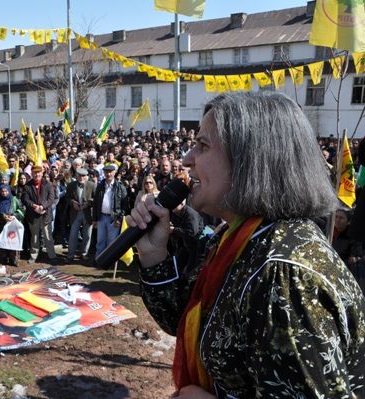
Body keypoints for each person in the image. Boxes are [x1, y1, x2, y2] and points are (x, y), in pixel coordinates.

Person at [128, 92, 365, 398]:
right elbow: (187, 321)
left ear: (251, 160)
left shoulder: (284, 274)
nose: (186, 159)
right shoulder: (237, 238)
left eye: (202, 146)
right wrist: (153, 252)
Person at [92, 163, 127, 265]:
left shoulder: (120, 187)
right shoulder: (100, 186)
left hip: (114, 218)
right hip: (102, 217)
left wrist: (119, 219)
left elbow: (125, 206)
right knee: (100, 241)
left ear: (114, 173)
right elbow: (96, 204)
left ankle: (108, 262)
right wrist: (94, 219)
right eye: (106, 172)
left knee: (111, 242)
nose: (108, 174)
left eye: (110, 172)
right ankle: (98, 260)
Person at [21, 165, 57, 263]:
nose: (37, 174)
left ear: (42, 173)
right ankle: (33, 255)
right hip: (33, 215)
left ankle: (52, 255)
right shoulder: (27, 185)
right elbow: (25, 199)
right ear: (32, 174)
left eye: (39, 172)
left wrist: (42, 206)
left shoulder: (48, 184)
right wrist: (34, 206)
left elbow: (51, 198)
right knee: (35, 236)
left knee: (48, 236)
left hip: (45, 214)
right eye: (35, 173)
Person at [0, 184, 24, 267]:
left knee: (12, 240)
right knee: (0, 242)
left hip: (12, 225)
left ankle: (13, 259)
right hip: (0, 225)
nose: (4, 193)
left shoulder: (15, 200)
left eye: (6, 191)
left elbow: (22, 210)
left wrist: (14, 216)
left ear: (9, 191)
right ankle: (1, 259)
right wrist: (2, 216)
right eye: (2, 191)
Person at [65, 168, 95, 262]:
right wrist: (72, 202)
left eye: (84, 176)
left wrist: (89, 203)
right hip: (75, 213)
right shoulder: (71, 185)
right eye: (80, 176)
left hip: (87, 213)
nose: (82, 178)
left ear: (87, 176)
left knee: (87, 235)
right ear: (76, 176)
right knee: (73, 235)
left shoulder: (92, 185)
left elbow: (96, 199)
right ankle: (70, 255)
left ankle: (84, 254)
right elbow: (67, 198)